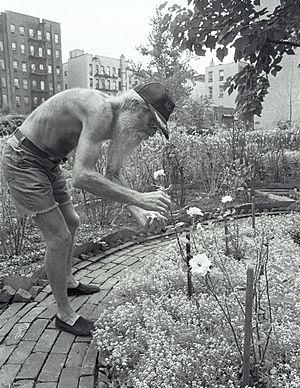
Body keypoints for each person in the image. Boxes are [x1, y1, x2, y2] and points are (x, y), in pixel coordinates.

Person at [1, 82, 175, 336]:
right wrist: (139, 197)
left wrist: (141, 211)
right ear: (135, 107)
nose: (151, 133)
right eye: (152, 123)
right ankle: (64, 314)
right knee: (58, 238)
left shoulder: (118, 123)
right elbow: (82, 176)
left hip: (48, 162)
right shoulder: (100, 111)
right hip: (23, 160)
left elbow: (112, 175)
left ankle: (68, 282)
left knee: (72, 222)